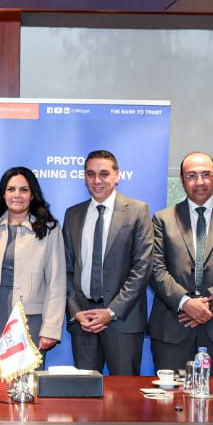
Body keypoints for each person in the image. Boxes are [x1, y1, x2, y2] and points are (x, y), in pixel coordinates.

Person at [147, 152, 213, 375]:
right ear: (182, 179)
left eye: (206, 174)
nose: (199, 182)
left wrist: (209, 304)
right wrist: (185, 303)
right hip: (173, 327)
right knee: (171, 395)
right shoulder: (162, 219)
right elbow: (154, 268)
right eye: (192, 175)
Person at [0, 167, 65, 374]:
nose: (17, 195)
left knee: (27, 380)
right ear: (3, 194)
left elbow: (56, 282)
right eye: (11, 189)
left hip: (31, 318)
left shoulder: (49, 229)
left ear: (32, 195)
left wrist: (51, 328)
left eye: (23, 190)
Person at [63, 150, 151, 375]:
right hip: (83, 321)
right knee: (84, 392)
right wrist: (75, 311)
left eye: (104, 173)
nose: (97, 180)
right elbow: (66, 269)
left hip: (123, 320)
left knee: (125, 393)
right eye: (90, 174)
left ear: (117, 175)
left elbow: (142, 267)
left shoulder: (137, 211)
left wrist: (111, 311)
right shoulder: (73, 214)